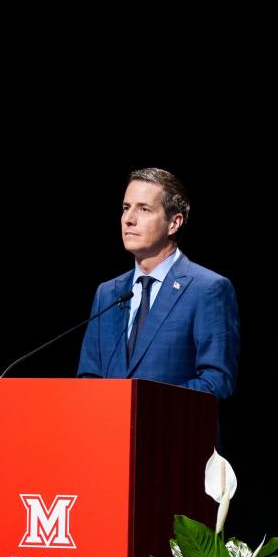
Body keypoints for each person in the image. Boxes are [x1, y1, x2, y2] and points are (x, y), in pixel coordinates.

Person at [77, 168, 240, 400]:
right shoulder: (107, 293)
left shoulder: (208, 289)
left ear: (174, 223)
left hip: (172, 432)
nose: (128, 219)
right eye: (126, 208)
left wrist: (144, 403)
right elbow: (88, 378)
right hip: (112, 434)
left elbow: (216, 382)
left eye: (144, 209)